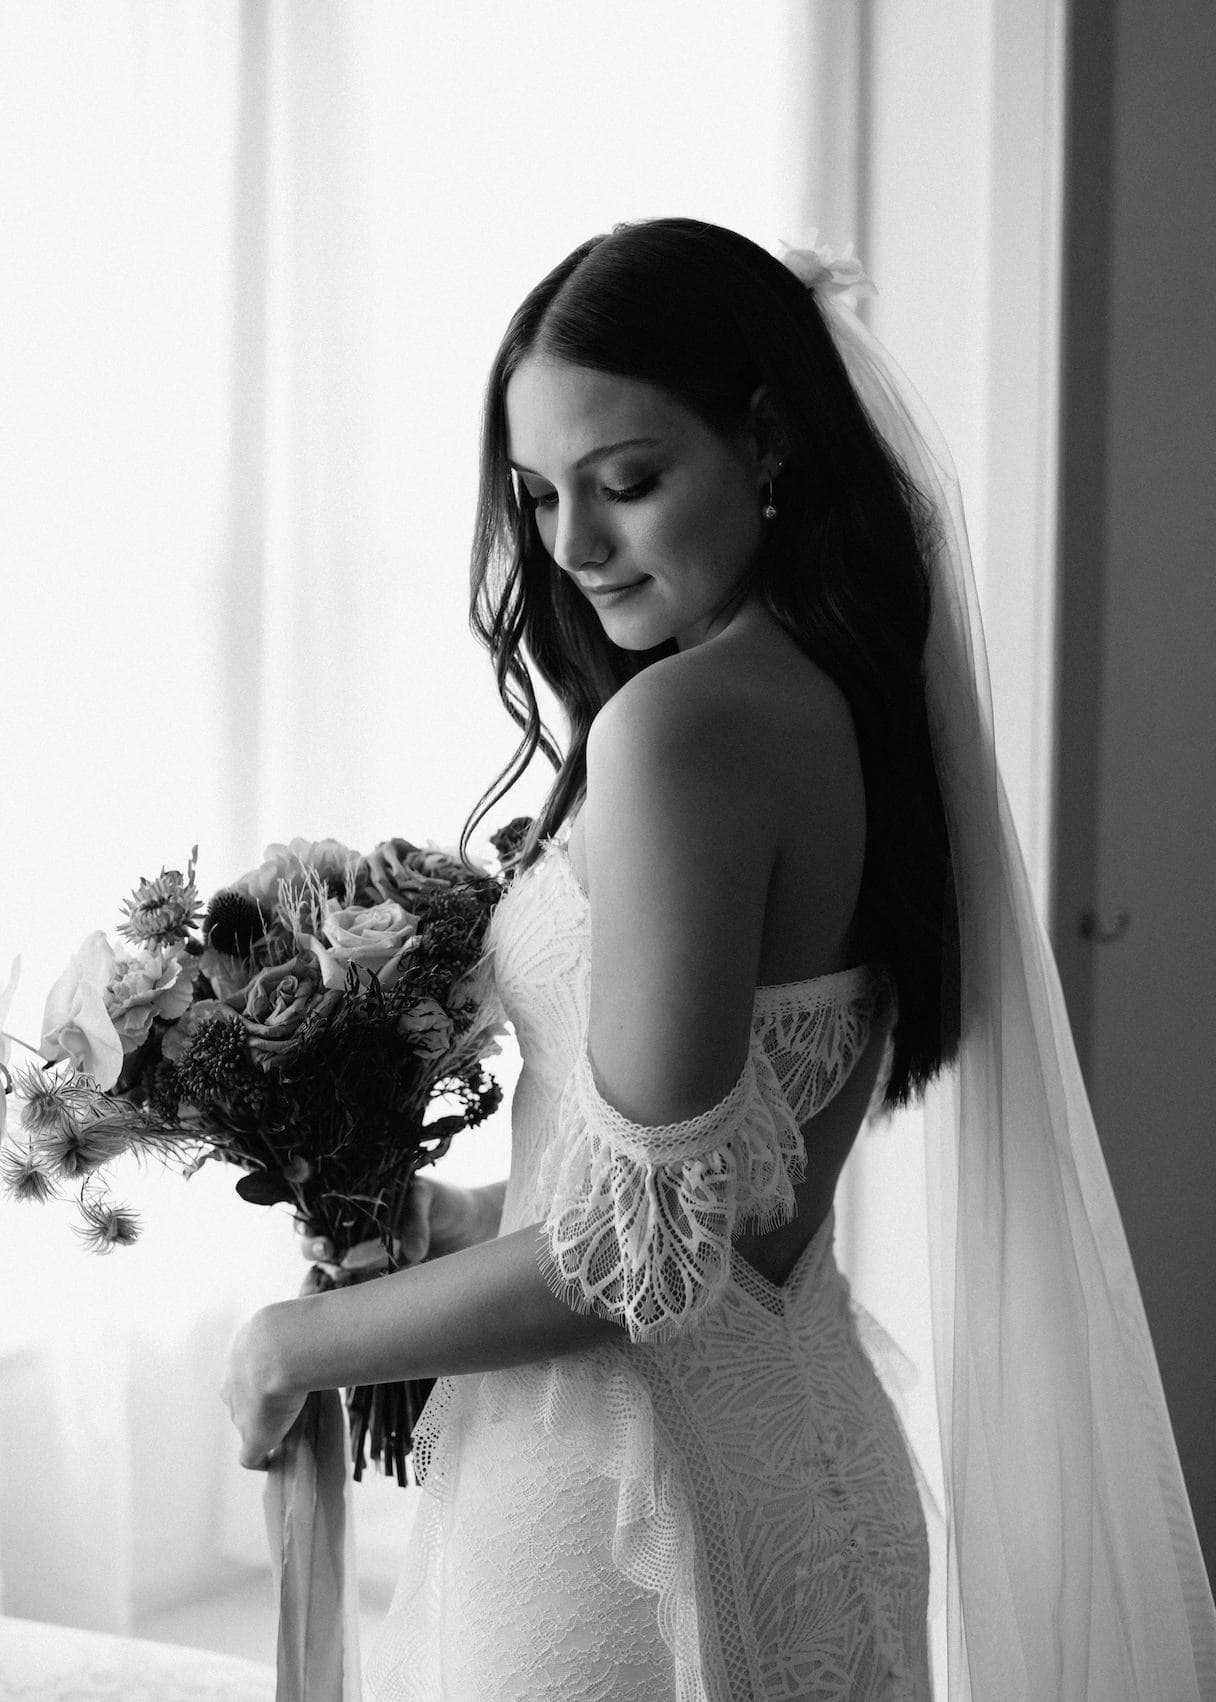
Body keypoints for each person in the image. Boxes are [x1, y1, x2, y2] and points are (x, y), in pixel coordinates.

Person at [223, 220, 1216, 1701]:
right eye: (539, 494)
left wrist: (295, 1339)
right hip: (804, 1461)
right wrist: (456, 1212)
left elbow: (641, 1252)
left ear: (765, 440)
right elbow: (734, 1171)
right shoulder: (855, 695)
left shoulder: (679, 730)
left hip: (627, 1525)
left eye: (626, 483)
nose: (570, 545)